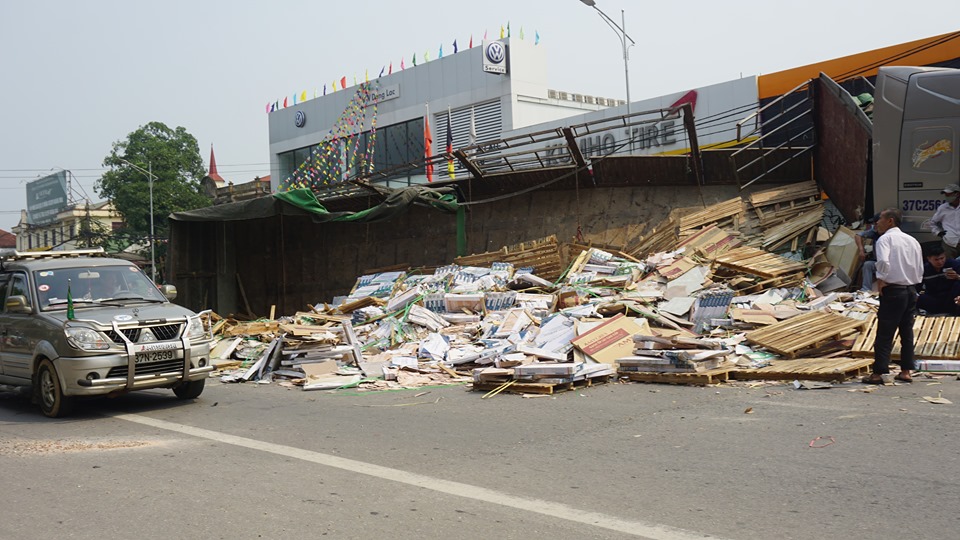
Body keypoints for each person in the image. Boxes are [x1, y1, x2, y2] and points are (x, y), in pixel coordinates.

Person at [863, 208, 923, 384]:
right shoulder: (912, 241)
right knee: (906, 331)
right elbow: (919, 268)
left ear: (890, 221)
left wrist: (881, 279)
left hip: (893, 290)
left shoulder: (885, 239)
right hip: (910, 289)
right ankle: (906, 371)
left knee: (885, 332)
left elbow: (882, 262)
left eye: (879, 219)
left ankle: (878, 373)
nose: (876, 223)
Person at [917, 244, 960, 315]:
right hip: (934, 297)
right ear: (929, 259)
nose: (940, 262)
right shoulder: (924, 270)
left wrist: (957, 277)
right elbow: (917, 287)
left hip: (952, 297)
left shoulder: (953, 264)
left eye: (942, 258)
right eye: (936, 259)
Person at [928, 183, 960, 259]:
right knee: (949, 266)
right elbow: (932, 223)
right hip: (949, 243)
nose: (947, 197)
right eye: (946, 195)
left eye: (949, 194)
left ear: (957, 194)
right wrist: (938, 232)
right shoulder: (943, 208)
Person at [855, 213, 881, 291]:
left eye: (875, 224)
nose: (874, 226)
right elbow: (858, 235)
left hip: (889, 264)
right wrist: (861, 250)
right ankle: (866, 289)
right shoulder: (874, 232)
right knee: (867, 265)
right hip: (878, 262)